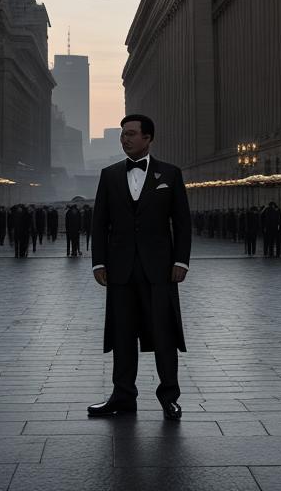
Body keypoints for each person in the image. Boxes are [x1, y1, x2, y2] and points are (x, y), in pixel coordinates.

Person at [88, 114, 191, 422]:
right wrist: (99, 261)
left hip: (159, 270)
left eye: (131, 134)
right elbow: (99, 224)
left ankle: (169, 397)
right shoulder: (109, 175)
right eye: (123, 135)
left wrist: (181, 261)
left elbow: (183, 223)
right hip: (119, 270)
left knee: (164, 335)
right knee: (122, 336)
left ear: (148, 138)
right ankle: (122, 397)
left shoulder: (170, 174)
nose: (125, 139)